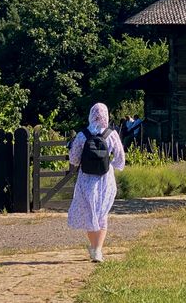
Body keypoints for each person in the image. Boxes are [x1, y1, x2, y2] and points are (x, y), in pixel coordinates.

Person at [68, 102, 125, 262]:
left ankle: (93, 248)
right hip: (105, 179)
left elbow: (73, 158)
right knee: (102, 213)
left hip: (86, 179)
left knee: (89, 213)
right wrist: (110, 166)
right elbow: (120, 159)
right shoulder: (111, 134)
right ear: (106, 116)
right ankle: (98, 250)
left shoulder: (82, 135)